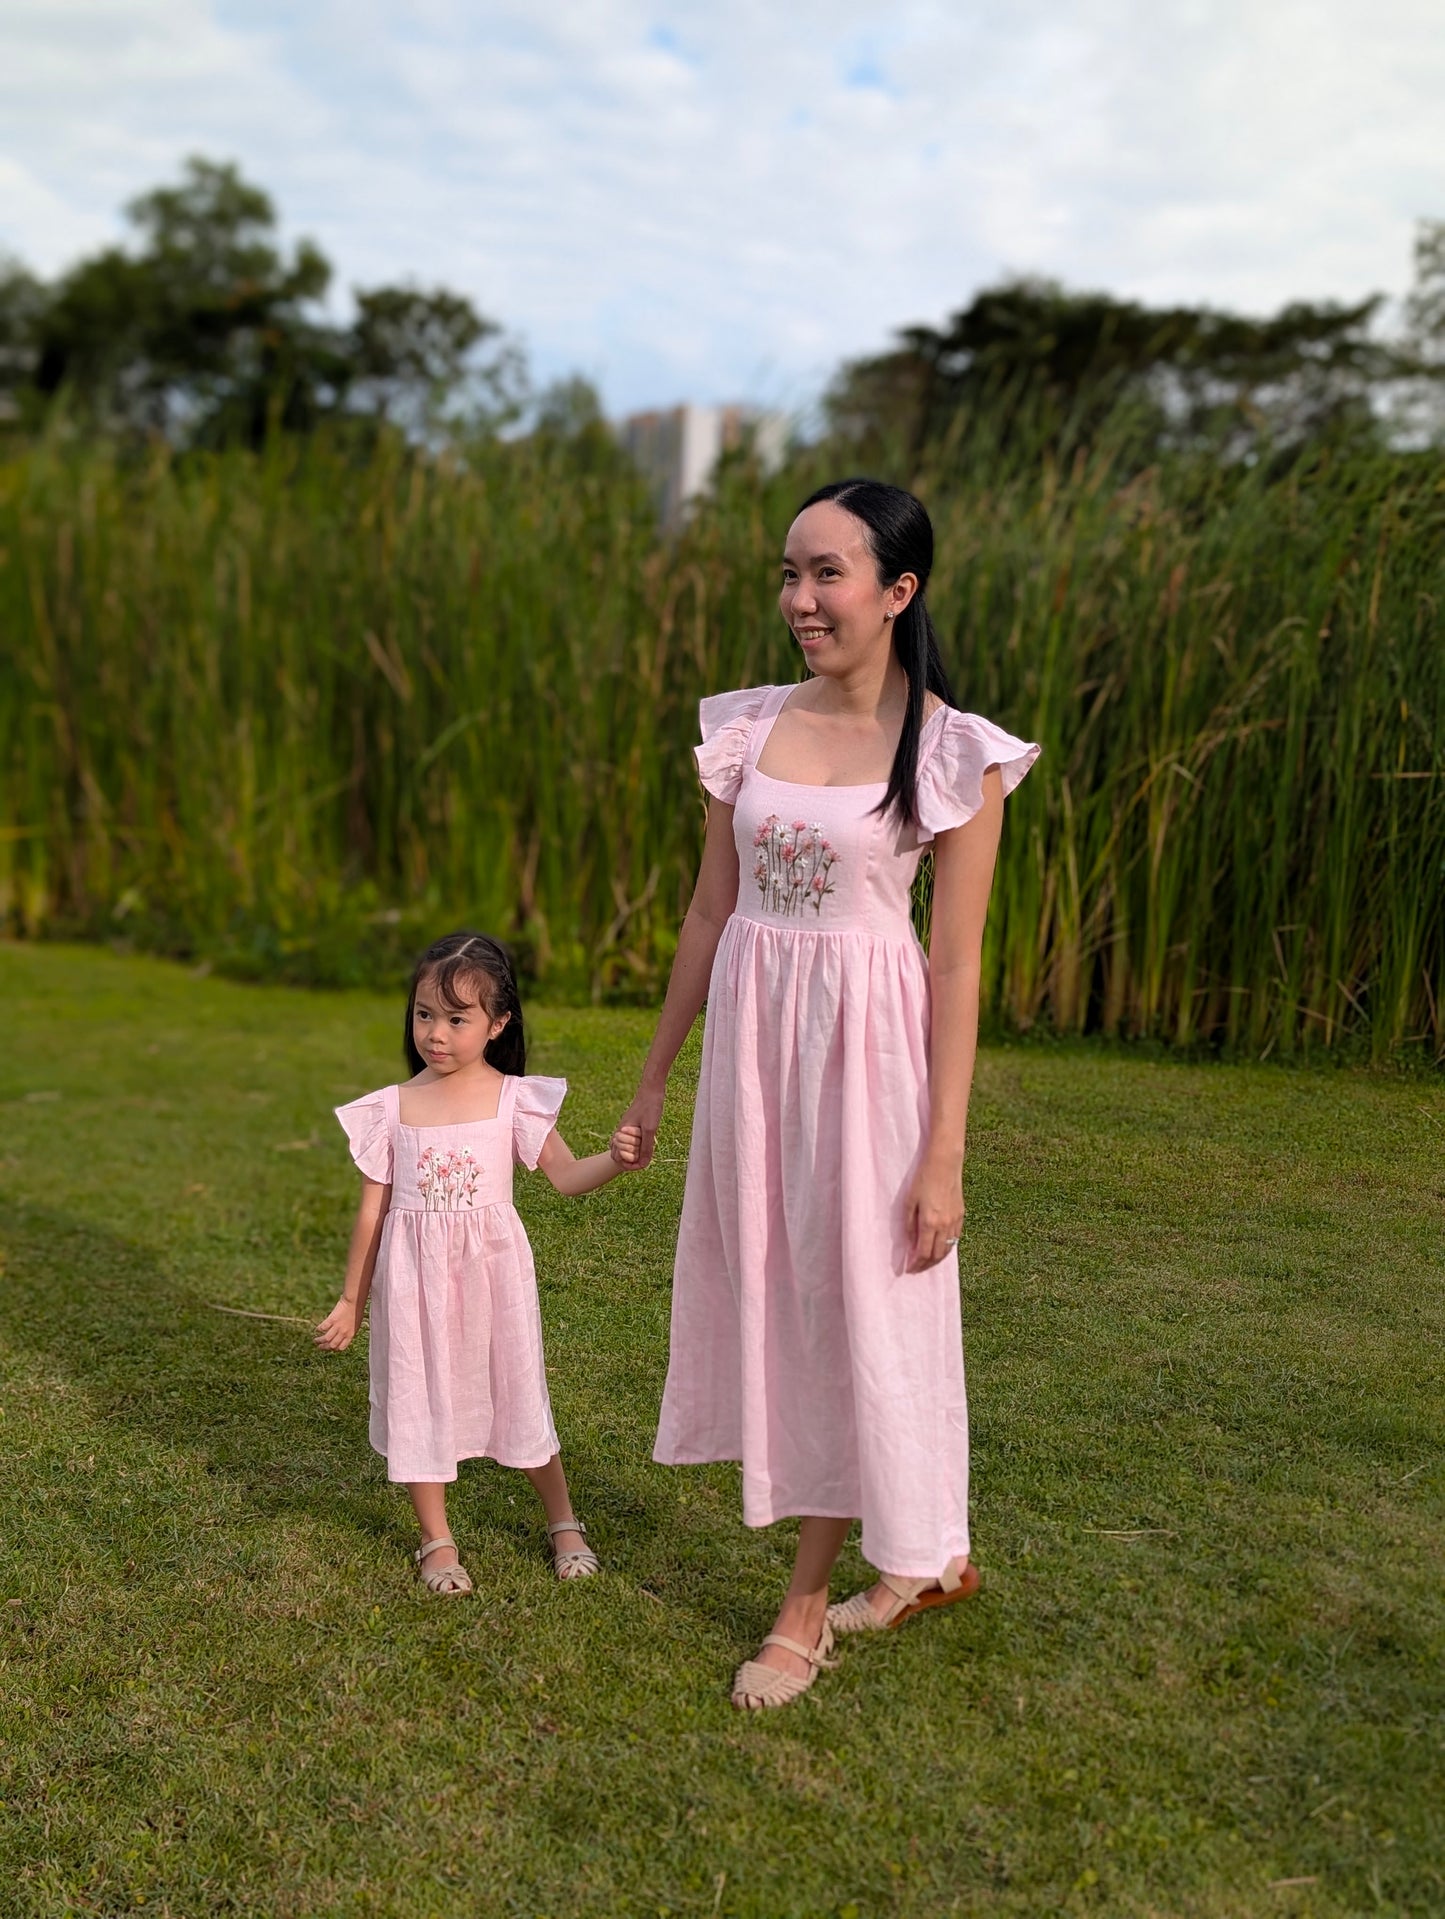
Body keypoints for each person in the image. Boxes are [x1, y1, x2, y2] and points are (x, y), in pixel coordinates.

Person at [618, 479, 1039, 1708]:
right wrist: (654, 1075)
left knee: (854, 1307)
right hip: (756, 1057)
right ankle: (927, 1556)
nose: (799, 599)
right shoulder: (748, 727)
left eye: (826, 575)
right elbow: (710, 910)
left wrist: (943, 1152)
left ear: (898, 590)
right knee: (782, 1289)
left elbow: (953, 965)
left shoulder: (952, 753)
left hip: (870, 1065)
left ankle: (805, 1607)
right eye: (788, 573)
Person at [316, 930, 642, 1596]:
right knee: (417, 1396)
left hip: (493, 1283)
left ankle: (563, 1520)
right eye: (424, 1014)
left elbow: (566, 1177)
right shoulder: (390, 1109)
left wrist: (615, 1159)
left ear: (497, 1024)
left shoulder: (512, 1100)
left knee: (516, 1391)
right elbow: (372, 1213)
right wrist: (351, 1299)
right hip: (412, 1287)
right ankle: (436, 1539)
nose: (435, 1033)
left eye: (456, 1019)